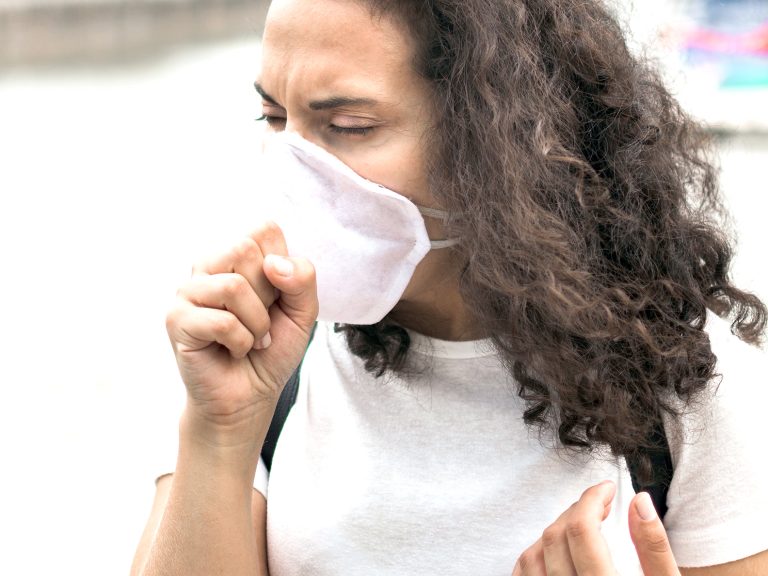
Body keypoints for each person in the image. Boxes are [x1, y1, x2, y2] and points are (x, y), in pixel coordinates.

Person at [130, 0, 768, 574]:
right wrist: (219, 431)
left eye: (347, 125)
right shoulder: (252, 350)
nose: (290, 167)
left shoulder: (688, 376)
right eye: (273, 116)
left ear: (500, 139)